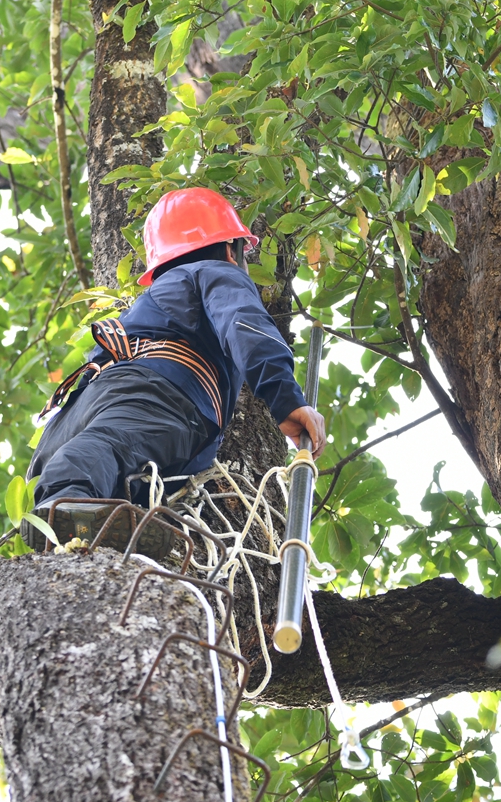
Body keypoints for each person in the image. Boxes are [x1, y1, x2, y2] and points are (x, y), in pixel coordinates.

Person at [29, 188, 326, 543]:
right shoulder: (214, 271)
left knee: (114, 461)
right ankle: (66, 503)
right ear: (230, 249)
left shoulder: (146, 306)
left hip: (70, 421)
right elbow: (245, 325)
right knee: (115, 444)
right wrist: (287, 399)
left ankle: (71, 508)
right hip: (155, 394)